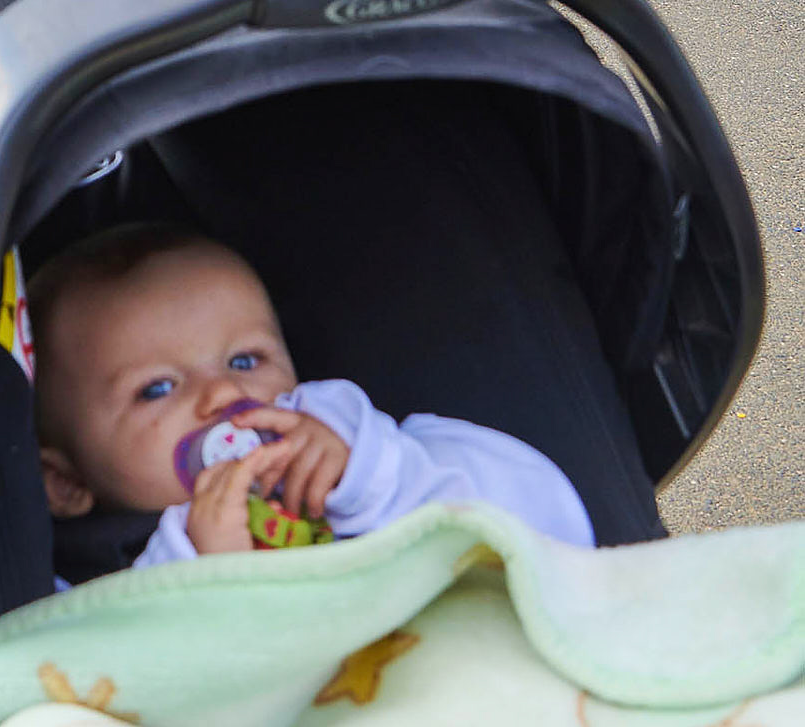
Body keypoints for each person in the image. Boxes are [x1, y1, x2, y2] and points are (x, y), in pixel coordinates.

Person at [29, 224, 594, 568]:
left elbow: (547, 519)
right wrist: (200, 574)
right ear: (66, 483)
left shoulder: (355, 457)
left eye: (246, 361)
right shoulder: (87, 588)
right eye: (157, 389)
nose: (224, 392)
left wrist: (369, 480)